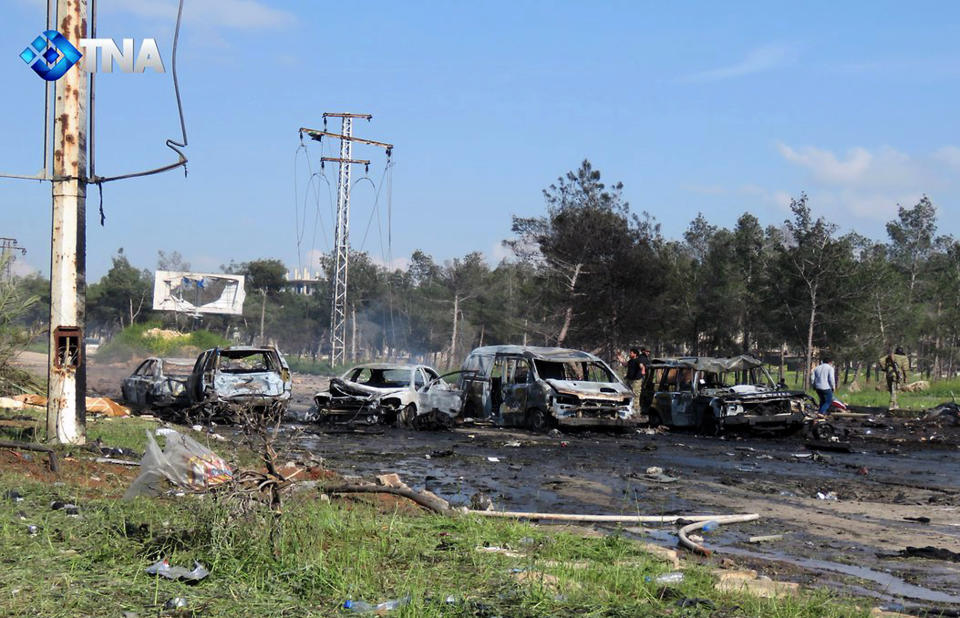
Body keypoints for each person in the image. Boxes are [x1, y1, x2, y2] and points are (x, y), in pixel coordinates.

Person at [878, 346, 909, 411]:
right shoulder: (904, 358)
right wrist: (906, 377)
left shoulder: (890, 356)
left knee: (892, 389)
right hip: (897, 375)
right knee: (895, 389)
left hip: (889, 374)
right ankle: (892, 405)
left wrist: (885, 368)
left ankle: (895, 403)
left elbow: (880, 360)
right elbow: (905, 369)